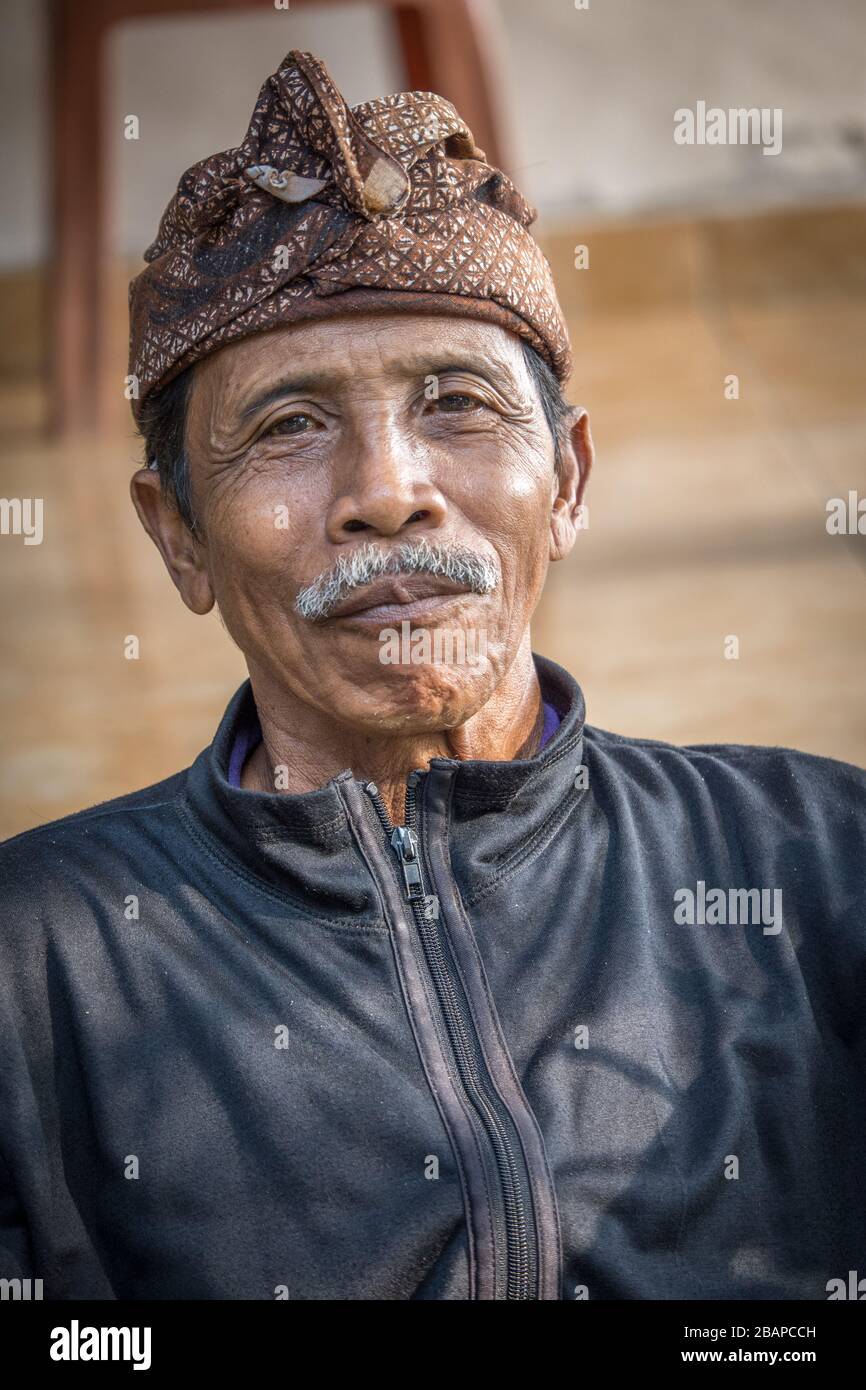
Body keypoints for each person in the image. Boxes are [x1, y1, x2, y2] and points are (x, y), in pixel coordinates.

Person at [1, 51, 864, 1302]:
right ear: (176, 533)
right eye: (288, 426)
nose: (387, 492)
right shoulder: (40, 969)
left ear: (566, 482)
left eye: (457, 403)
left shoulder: (815, 867)